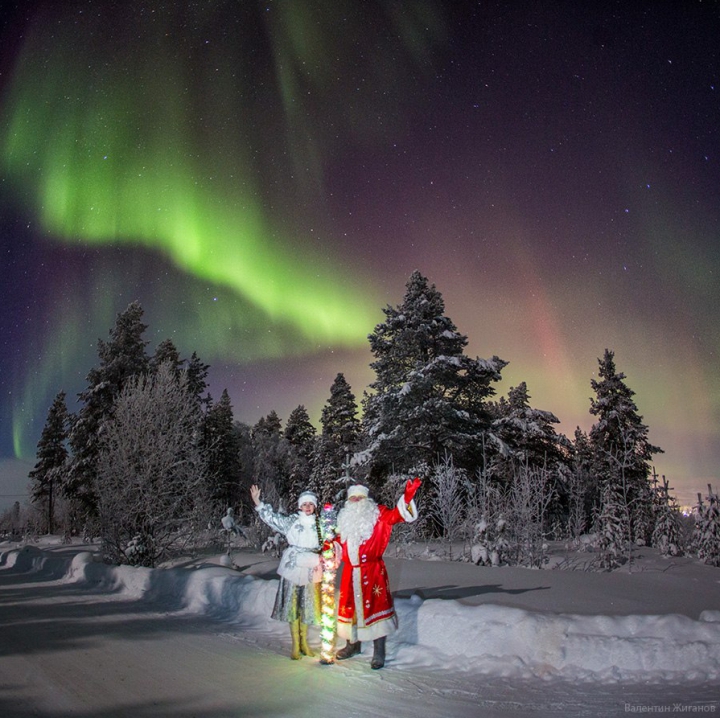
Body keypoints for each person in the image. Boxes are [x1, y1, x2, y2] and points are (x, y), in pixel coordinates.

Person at [333, 478, 421, 669]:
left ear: (367, 500)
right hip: (350, 572)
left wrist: (407, 497)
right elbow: (337, 544)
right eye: (353, 498)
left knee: (375, 608)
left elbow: (397, 515)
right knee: (351, 609)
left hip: (372, 572)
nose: (356, 501)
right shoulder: (344, 520)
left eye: (360, 497)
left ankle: (378, 651)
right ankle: (352, 645)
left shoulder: (378, 514)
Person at [250, 484, 322, 660]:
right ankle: (295, 645)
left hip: (312, 568)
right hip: (292, 568)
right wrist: (258, 502)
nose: (307, 507)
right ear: (299, 506)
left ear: (314, 506)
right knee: (293, 606)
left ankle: (304, 642)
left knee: (308, 607)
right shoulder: (291, 521)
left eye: (310, 504)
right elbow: (272, 518)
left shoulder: (321, 525)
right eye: (304, 504)